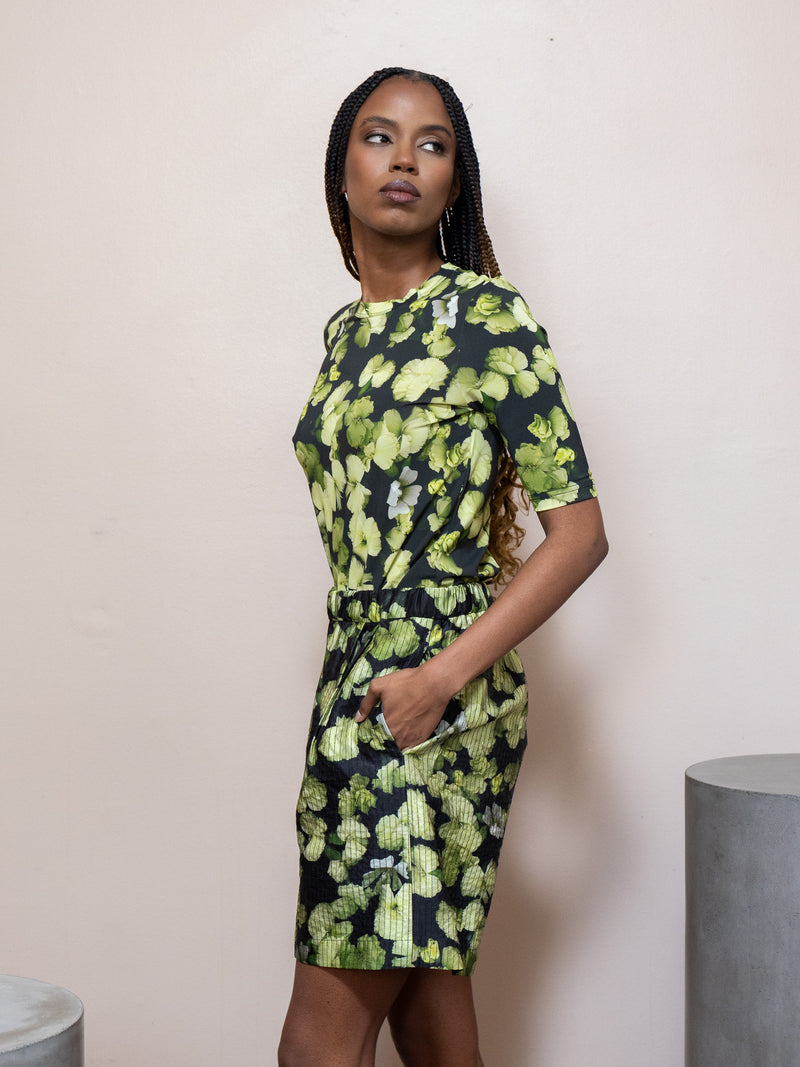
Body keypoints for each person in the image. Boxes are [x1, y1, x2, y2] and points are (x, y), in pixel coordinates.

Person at [279, 67, 608, 1067]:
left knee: (318, 1041)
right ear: (340, 168)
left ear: (453, 184)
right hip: (353, 680)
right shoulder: (343, 334)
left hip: (439, 693)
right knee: (428, 1020)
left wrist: (438, 678)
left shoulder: (484, 315)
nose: (404, 160)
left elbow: (579, 534)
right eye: (379, 137)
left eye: (432, 145)